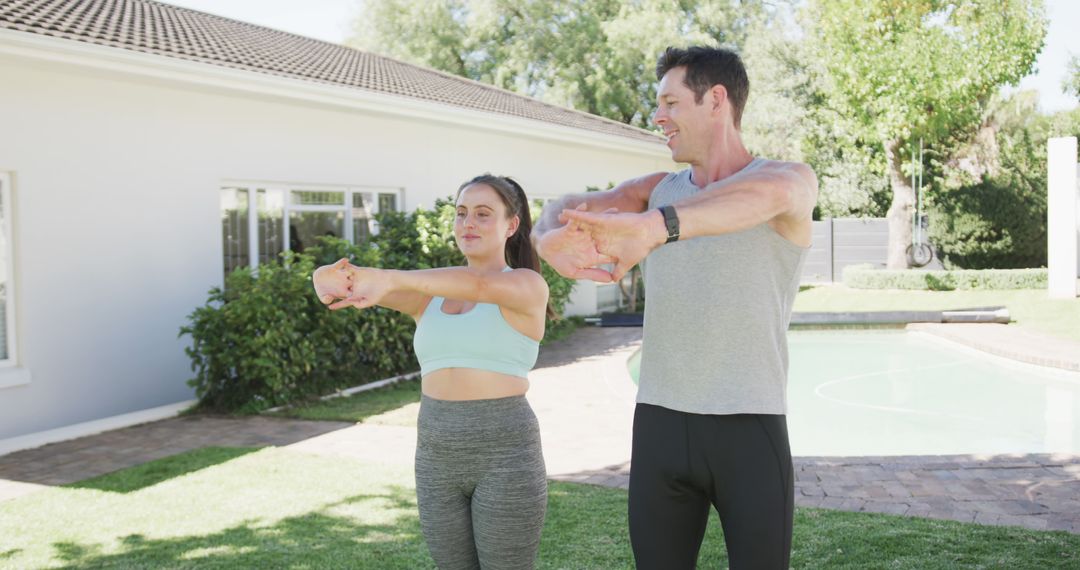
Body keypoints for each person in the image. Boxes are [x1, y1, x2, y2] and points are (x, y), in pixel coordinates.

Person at [533, 46, 818, 569]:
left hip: (749, 426)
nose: (657, 117)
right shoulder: (656, 189)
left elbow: (765, 196)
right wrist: (545, 234)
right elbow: (565, 205)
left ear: (715, 100)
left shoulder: (787, 180)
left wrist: (655, 227)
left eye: (669, 102)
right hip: (661, 424)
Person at [313, 174, 550, 570]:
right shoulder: (430, 295)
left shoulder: (527, 285)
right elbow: (349, 285)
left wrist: (388, 277)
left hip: (505, 454)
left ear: (511, 225)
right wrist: (325, 276)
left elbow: (476, 284)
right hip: (435, 455)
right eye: (460, 213)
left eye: (482, 214)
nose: (467, 223)